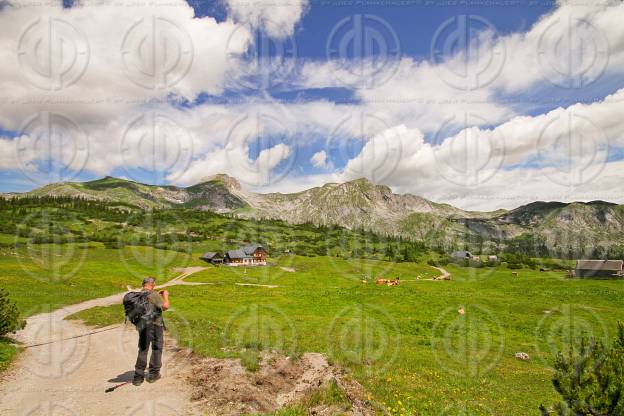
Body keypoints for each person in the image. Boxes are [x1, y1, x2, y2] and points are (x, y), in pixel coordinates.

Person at [133, 277, 169, 386]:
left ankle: (138, 378)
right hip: (155, 325)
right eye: (154, 284)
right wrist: (165, 296)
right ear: (152, 284)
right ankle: (153, 374)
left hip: (142, 325)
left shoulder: (138, 295)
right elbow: (166, 307)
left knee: (143, 349)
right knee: (157, 347)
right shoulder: (153, 295)